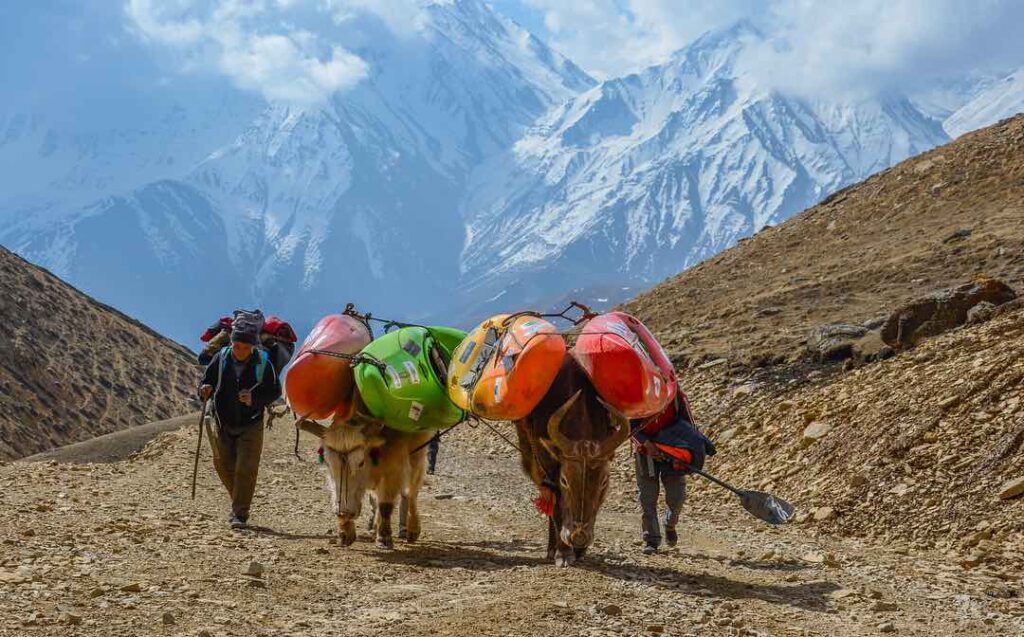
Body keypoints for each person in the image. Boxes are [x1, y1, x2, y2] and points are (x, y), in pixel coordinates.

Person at [198, 316, 281, 529]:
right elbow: (207, 379)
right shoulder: (221, 357)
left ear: (253, 347)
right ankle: (239, 498)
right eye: (236, 346)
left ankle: (239, 514)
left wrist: (255, 399)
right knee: (223, 464)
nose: (240, 351)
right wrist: (204, 389)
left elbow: (274, 391)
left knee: (246, 467)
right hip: (223, 421)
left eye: (245, 347)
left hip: (251, 423)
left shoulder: (263, 363)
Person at [631, 395, 714, 555]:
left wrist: (685, 454)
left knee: (677, 497)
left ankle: (670, 524)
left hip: (673, 451)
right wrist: (646, 444)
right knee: (647, 497)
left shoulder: (677, 397)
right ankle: (651, 540)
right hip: (644, 454)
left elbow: (689, 428)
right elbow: (629, 426)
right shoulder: (638, 394)